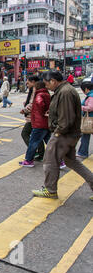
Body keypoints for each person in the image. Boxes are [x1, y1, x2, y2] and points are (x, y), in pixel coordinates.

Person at [32, 71, 93, 200]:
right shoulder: (65, 90)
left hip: (63, 134)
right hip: (69, 134)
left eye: (47, 83)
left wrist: (58, 132)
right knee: (72, 162)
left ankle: (50, 190)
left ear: (53, 81)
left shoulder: (65, 92)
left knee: (50, 161)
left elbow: (66, 118)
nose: (46, 86)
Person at [19, 81, 51, 167]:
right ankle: (60, 161)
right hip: (46, 122)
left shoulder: (39, 95)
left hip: (39, 122)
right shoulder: (47, 94)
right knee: (51, 143)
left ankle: (29, 160)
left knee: (33, 142)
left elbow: (39, 106)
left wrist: (40, 112)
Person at [20, 76, 45, 161]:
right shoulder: (38, 89)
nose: (27, 84)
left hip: (33, 117)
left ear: (33, 82)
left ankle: (34, 152)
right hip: (37, 117)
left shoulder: (35, 90)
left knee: (25, 133)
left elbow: (32, 104)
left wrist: (24, 110)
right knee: (38, 136)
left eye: (28, 82)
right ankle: (41, 154)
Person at [77, 81, 93, 159]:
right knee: (85, 136)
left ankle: (83, 152)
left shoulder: (91, 96)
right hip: (89, 119)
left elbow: (90, 108)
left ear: (86, 89)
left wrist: (81, 107)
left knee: (85, 135)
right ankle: (82, 152)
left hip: (90, 120)